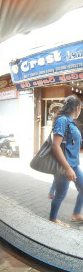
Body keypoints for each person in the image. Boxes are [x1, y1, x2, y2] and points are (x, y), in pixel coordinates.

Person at [49, 95, 83, 227]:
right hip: (64, 166)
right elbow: (55, 145)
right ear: (78, 108)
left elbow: (70, 142)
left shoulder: (70, 121)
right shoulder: (62, 120)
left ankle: (76, 214)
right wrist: (67, 168)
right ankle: (52, 219)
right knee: (60, 194)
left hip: (73, 165)